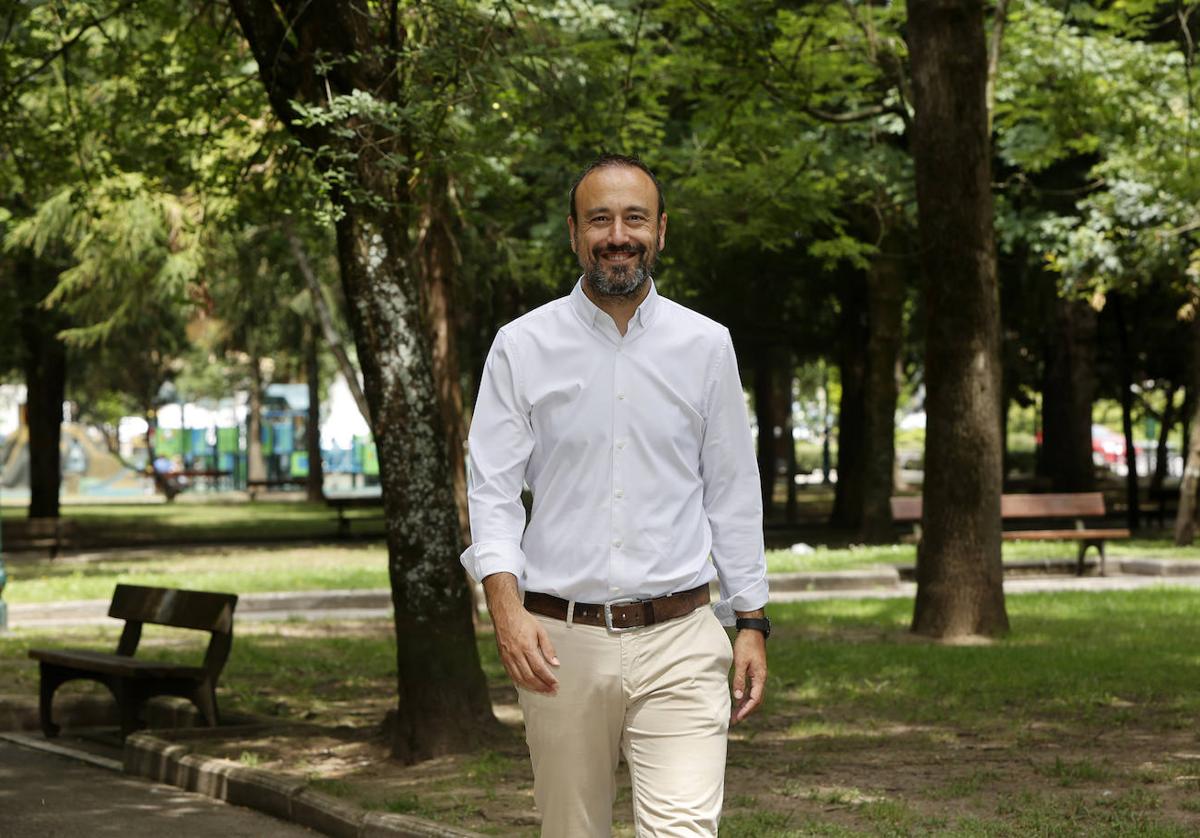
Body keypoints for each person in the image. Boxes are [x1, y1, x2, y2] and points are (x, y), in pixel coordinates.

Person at [460, 153, 769, 837]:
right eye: (600, 219)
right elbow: (492, 492)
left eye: (634, 218)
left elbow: (732, 490)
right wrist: (505, 611)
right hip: (560, 644)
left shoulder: (706, 346)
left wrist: (752, 620)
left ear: (662, 231)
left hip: (683, 638)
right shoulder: (521, 346)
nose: (617, 235)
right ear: (573, 233)